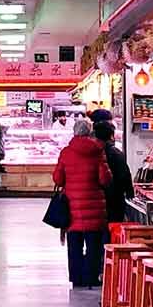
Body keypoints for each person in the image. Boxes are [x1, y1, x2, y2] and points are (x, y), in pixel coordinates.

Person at [54, 120, 111, 288]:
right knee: (93, 246)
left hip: (72, 208)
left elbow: (58, 178)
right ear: (89, 132)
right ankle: (91, 277)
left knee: (74, 246)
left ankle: (77, 279)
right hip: (94, 208)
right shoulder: (98, 152)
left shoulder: (66, 152)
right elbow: (105, 179)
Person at [94, 121, 131, 223]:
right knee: (113, 230)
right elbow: (125, 175)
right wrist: (129, 192)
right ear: (111, 136)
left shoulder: (91, 153)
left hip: (95, 200)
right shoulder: (116, 153)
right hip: (115, 200)